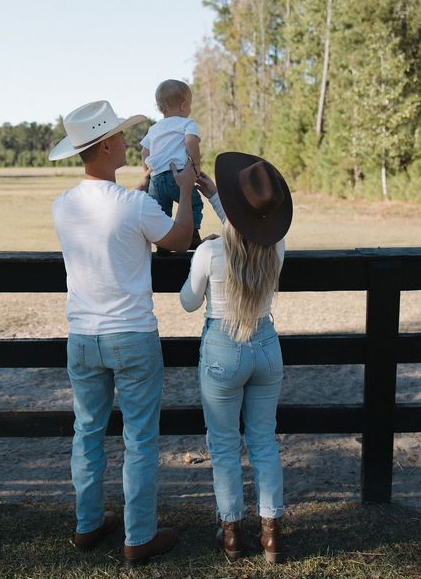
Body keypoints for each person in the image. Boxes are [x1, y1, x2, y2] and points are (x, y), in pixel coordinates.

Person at [49, 99, 197, 566]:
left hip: (82, 336)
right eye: (121, 135)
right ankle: (139, 536)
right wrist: (188, 189)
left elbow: (112, 213)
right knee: (139, 440)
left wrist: (139, 192)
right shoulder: (134, 206)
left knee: (87, 433)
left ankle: (88, 524)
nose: (129, 141)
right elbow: (177, 239)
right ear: (108, 144)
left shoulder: (64, 205)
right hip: (131, 335)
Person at [180, 152, 293, 563]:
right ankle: (272, 536)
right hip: (266, 345)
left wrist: (202, 248)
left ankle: (231, 534)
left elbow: (189, 303)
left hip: (222, 350)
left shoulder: (210, 254)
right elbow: (249, 228)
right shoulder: (276, 247)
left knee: (225, 445)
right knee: (264, 441)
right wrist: (215, 198)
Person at [140, 79, 203, 251]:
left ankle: (163, 244)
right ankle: (192, 235)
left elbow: (144, 152)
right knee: (193, 204)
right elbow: (190, 141)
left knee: (161, 211)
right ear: (184, 106)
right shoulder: (187, 123)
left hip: (157, 179)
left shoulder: (154, 129)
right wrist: (196, 163)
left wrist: (147, 173)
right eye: (189, 105)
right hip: (180, 175)